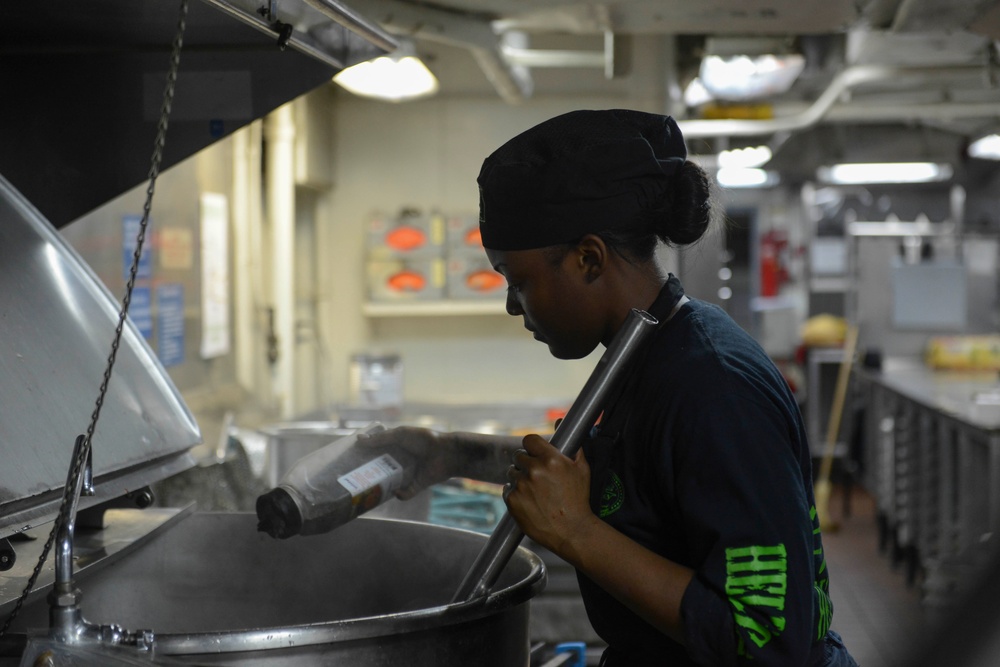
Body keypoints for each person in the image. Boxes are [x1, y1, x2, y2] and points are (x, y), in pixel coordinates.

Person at [361, 109, 858, 666]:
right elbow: (620, 479)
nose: (510, 305)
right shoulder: (647, 353)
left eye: (518, 282)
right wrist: (449, 454)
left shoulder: (713, 388)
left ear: (589, 259)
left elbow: (768, 640)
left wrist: (578, 535)